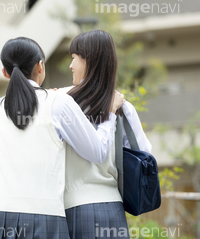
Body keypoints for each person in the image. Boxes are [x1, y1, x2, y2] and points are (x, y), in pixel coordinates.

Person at [0, 37, 125, 239]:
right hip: (43, 215)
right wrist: (109, 114)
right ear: (40, 66)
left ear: (5, 72)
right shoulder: (58, 103)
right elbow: (98, 152)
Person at [62, 30, 152, 239]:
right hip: (112, 208)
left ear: (89, 61)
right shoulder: (122, 107)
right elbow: (144, 153)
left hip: (71, 208)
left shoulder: (61, 105)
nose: (71, 65)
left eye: (74, 58)